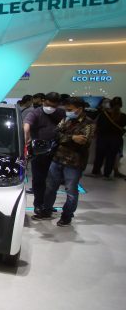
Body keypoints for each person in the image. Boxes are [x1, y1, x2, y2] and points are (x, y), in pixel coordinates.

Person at [33, 97, 95, 226]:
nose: (67, 111)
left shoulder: (89, 123)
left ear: (79, 109)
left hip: (74, 162)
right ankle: (46, 211)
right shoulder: (66, 119)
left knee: (71, 191)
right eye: (66, 109)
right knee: (50, 187)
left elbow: (84, 142)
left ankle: (67, 216)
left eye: (70, 109)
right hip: (57, 158)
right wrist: (72, 138)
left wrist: (65, 138)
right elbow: (55, 134)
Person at [24, 92, 65, 215]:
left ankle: (48, 205)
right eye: (48, 104)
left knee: (53, 181)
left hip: (56, 151)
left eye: (53, 106)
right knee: (39, 180)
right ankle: (38, 205)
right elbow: (26, 125)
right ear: (43, 101)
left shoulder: (61, 113)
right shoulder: (35, 113)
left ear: (58, 105)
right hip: (39, 152)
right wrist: (26, 137)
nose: (50, 108)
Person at [91, 96, 126, 179]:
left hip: (102, 138)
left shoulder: (103, 114)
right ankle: (107, 174)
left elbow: (98, 126)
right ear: (121, 105)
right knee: (111, 157)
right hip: (116, 139)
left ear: (110, 104)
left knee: (99, 156)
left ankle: (96, 172)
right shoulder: (124, 116)